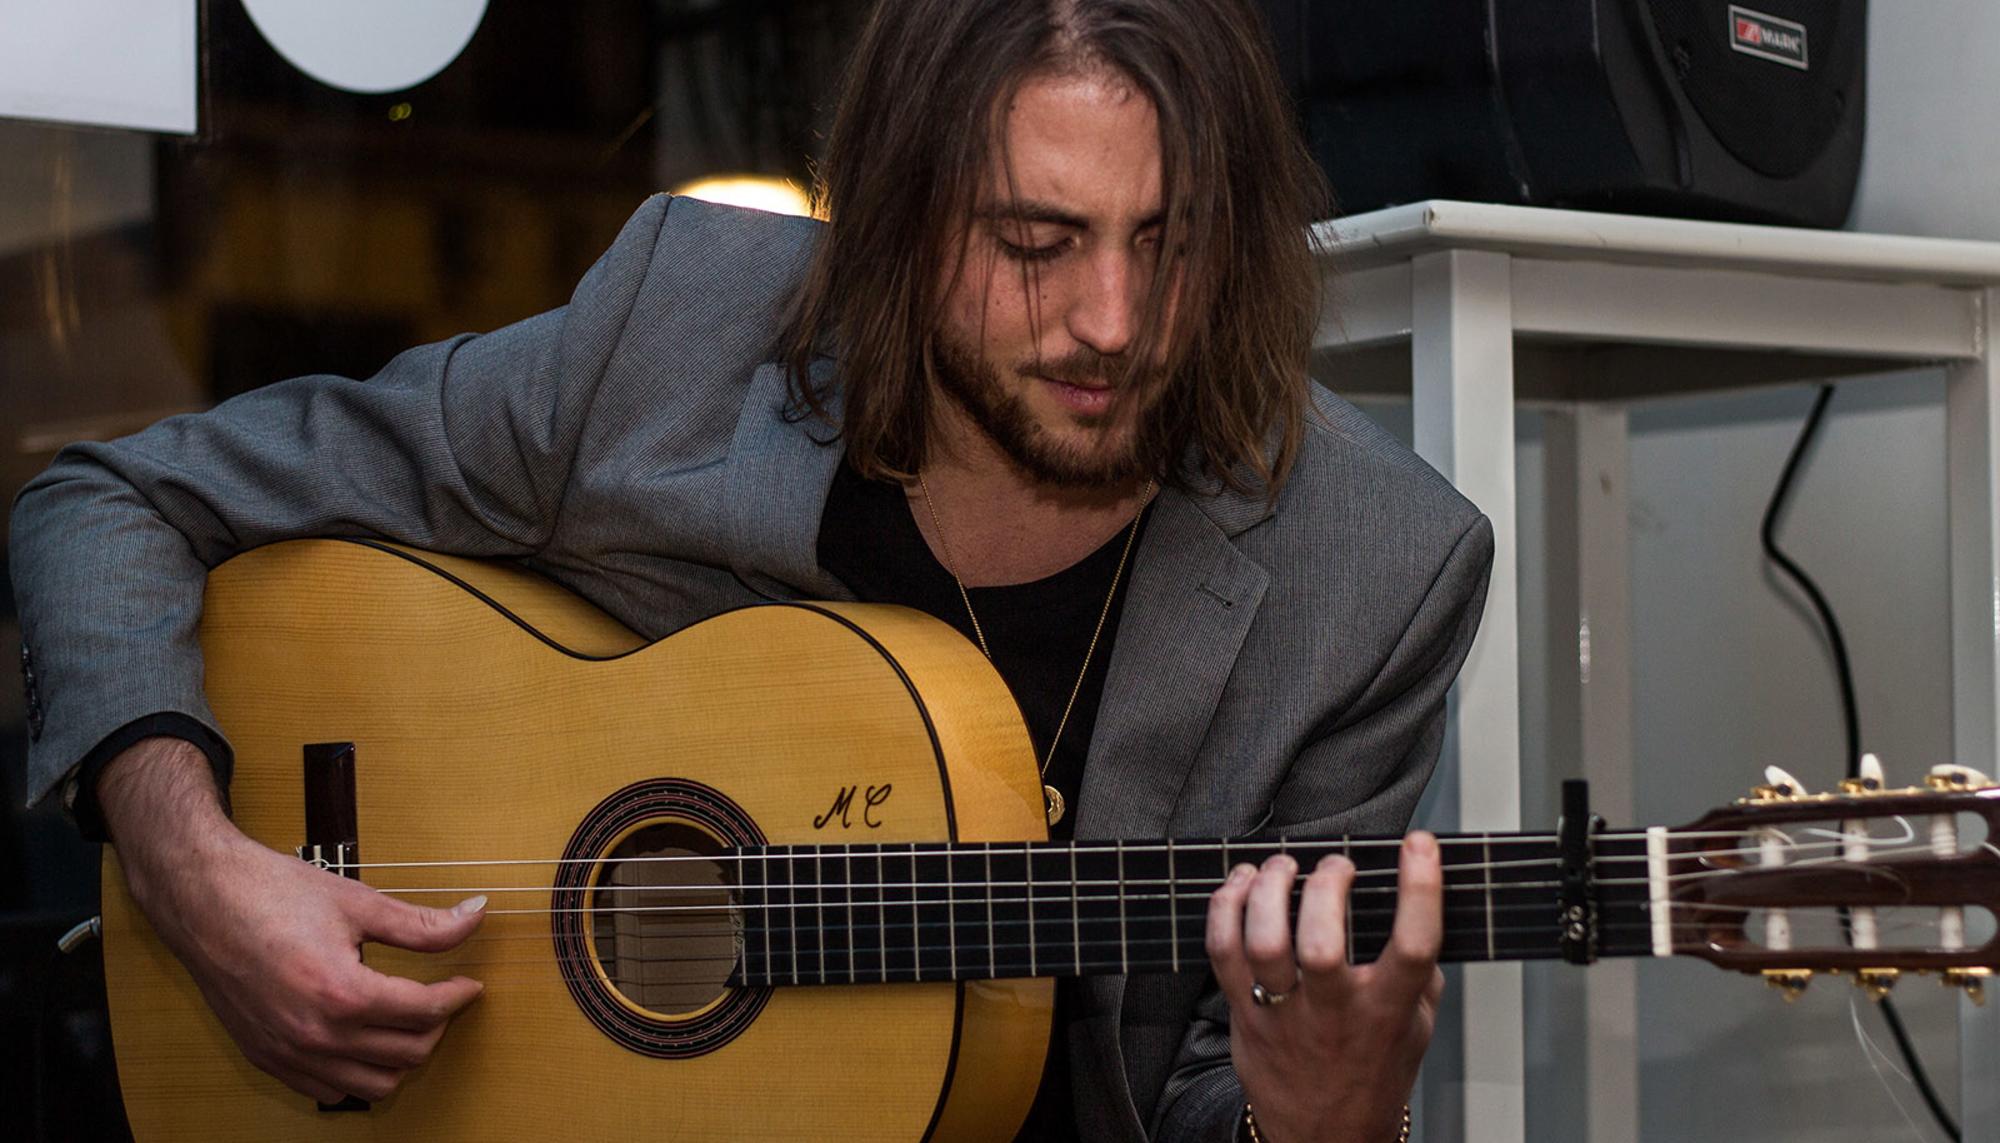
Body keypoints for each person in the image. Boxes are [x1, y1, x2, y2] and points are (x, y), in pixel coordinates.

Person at [10, 0, 1492, 1139]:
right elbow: (109, 500)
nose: (1112, 320)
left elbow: (1206, 1106)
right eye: (1036, 243)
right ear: (903, 225)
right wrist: (192, 866)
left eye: (1168, 246)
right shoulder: (674, 345)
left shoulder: (1373, 573)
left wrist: (1322, 1120)